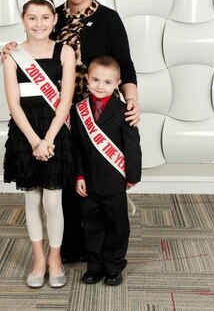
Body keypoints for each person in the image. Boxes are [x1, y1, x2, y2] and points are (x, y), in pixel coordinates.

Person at [1, 0, 140, 263]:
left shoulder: (108, 19)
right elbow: (32, 44)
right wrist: (10, 47)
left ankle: (106, 254)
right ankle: (72, 249)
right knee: (66, 182)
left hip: (96, 114)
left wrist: (132, 99)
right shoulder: (53, 16)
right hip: (57, 115)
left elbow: (126, 66)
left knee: (97, 184)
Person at [3, 0, 75, 288]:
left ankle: (55, 258)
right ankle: (38, 259)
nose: (39, 23)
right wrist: (35, 141)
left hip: (55, 133)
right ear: (23, 20)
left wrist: (47, 140)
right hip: (26, 133)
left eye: (45, 17)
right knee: (32, 199)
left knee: (54, 201)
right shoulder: (11, 54)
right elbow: (13, 104)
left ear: (55, 19)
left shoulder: (65, 52)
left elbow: (65, 101)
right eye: (32, 17)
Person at [71, 56, 142, 286]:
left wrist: (132, 176)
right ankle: (95, 265)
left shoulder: (124, 111)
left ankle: (113, 266)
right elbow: (77, 148)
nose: (100, 86)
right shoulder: (78, 110)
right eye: (95, 80)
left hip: (114, 181)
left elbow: (132, 146)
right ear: (87, 80)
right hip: (88, 182)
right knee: (91, 225)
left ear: (117, 83)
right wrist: (79, 175)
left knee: (117, 226)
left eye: (107, 82)